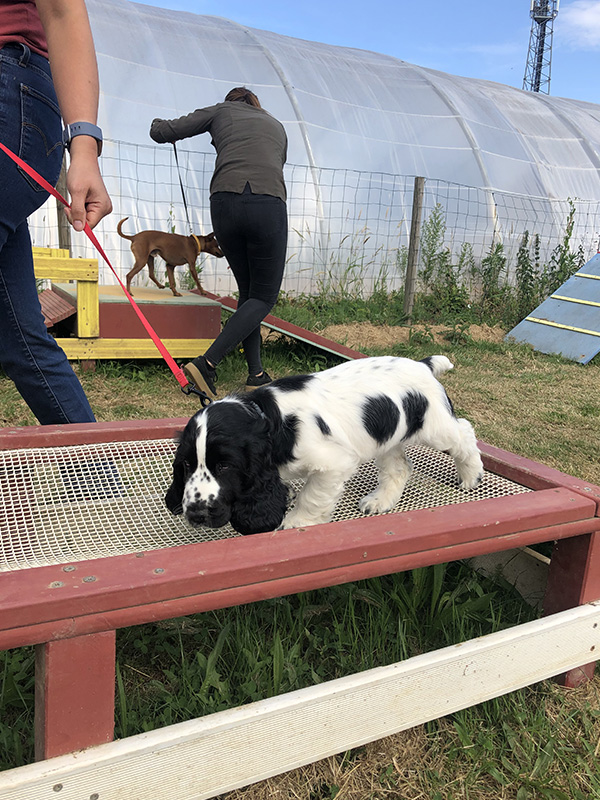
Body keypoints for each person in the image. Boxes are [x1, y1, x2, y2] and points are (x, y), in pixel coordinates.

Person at [0, 0, 112, 425]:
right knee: (22, 340)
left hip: (12, 90)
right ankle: (98, 480)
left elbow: (64, 10)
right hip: (24, 104)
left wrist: (84, 146)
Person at [150, 86, 288, 396]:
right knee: (263, 297)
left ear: (232, 102)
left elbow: (165, 131)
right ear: (255, 104)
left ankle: (257, 374)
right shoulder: (276, 126)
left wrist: (157, 125)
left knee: (250, 293)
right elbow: (275, 163)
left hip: (224, 203)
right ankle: (207, 363)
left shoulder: (221, 111)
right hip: (267, 204)